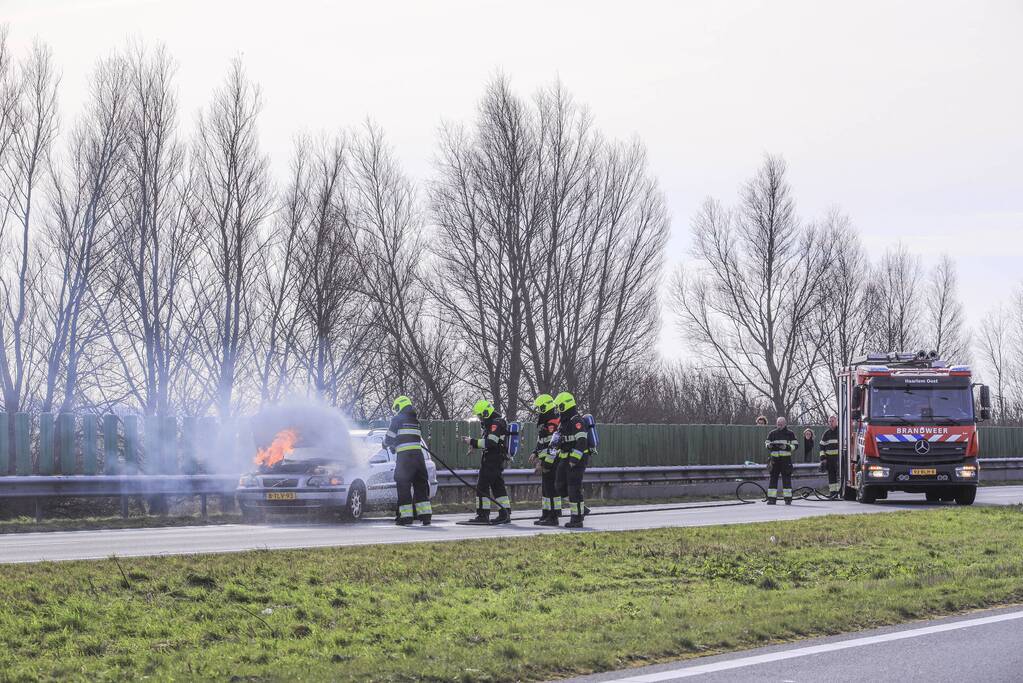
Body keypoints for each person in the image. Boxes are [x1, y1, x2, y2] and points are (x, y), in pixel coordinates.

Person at [383, 395, 432, 526]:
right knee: (421, 486)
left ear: (400, 406)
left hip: (405, 459)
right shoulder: (416, 422)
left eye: (396, 408)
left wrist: (385, 444)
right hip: (419, 458)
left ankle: (405, 518)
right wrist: (396, 445)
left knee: (403, 486)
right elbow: (409, 439)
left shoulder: (397, 419)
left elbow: (389, 438)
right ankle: (426, 517)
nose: (396, 411)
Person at [461, 399, 511, 524]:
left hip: (492, 460)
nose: (480, 419)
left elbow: (491, 442)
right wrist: (475, 446)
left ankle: (483, 515)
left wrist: (472, 441)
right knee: (498, 487)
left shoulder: (495, 424)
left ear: (485, 413)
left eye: (480, 416)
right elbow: (489, 442)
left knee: (482, 486)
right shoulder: (494, 423)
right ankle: (505, 514)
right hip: (495, 459)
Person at [553, 391, 590, 528]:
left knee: (574, 489)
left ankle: (577, 519)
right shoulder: (563, 422)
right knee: (559, 486)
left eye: (559, 406)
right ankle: (582, 508)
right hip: (564, 459)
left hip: (576, 460)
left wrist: (574, 459)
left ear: (565, 406)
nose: (558, 409)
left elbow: (582, 441)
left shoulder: (576, 421)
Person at [528, 393, 561, 526]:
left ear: (545, 408)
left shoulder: (553, 424)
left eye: (540, 408)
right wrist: (535, 453)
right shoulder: (546, 424)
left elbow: (553, 447)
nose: (538, 412)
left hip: (552, 462)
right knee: (546, 490)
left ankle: (553, 517)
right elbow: (542, 443)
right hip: (546, 462)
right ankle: (546, 514)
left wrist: (544, 463)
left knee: (551, 490)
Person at [764, 416, 798, 505]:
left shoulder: (790, 434)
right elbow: (766, 443)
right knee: (773, 479)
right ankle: (771, 499)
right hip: (774, 461)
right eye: (778, 424)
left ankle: (788, 499)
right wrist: (769, 446)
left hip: (786, 461)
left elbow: (795, 446)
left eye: (781, 424)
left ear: (785, 424)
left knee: (786, 479)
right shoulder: (772, 433)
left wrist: (786, 447)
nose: (779, 425)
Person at [819, 415, 841, 499]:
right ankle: (833, 493)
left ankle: (839, 492)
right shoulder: (826, 433)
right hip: (829, 459)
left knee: (839, 476)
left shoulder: (840, 432)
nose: (831, 423)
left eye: (832, 421)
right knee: (831, 476)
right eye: (830, 421)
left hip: (839, 459)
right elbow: (821, 446)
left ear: (836, 422)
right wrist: (823, 458)